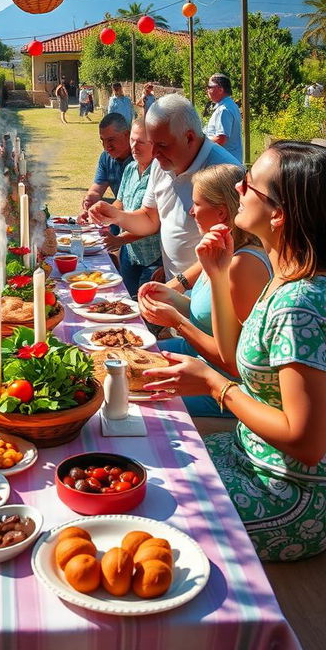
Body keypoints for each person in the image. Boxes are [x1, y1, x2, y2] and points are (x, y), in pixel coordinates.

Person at [144, 141, 326, 562]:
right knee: (150, 464)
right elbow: (235, 353)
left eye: (249, 185)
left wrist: (214, 385)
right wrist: (216, 271)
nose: (238, 189)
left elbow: (306, 442)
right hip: (250, 452)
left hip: (290, 493)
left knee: (156, 512)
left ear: (278, 214)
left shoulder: (300, 303)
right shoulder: (282, 276)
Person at [139, 163, 271, 416]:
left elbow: (232, 362)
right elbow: (210, 317)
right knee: (127, 362)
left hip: (227, 387)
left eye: (197, 204)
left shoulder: (243, 265)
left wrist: (177, 322)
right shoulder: (221, 252)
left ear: (221, 213)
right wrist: (171, 298)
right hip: (200, 362)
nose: (190, 212)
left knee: (140, 400)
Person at [88, 95, 241, 288]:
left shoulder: (225, 171)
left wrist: (180, 283)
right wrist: (116, 215)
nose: (154, 154)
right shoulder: (162, 163)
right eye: (152, 144)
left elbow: (234, 247)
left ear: (190, 137)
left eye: (161, 145)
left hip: (209, 292)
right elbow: (150, 219)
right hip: (174, 286)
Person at [104, 118, 162, 298]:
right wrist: (103, 213)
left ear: (154, 144)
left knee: (146, 310)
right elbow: (120, 202)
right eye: (132, 140)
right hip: (129, 253)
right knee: (126, 299)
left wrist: (120, 239)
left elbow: (154, 222)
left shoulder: (160, 171)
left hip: (153, 256)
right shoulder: (130, 168)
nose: (135, 147)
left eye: (141, 142)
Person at [79, 113, 132, 224]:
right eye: (102, 140)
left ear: (127, 135)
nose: (106, 146)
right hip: (119, 210)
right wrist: (90, 199)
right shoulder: (105, 157)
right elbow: (97, 189)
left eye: (111, 140)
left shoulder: (140, 159)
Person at [204, 73, 243, 162]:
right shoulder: (231, 105)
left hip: (225, 164)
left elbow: (221, 139)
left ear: (220, 89)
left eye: (209, 87)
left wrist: (201, 142)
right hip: (229, 161)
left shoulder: (223, 110)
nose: (207, 90)